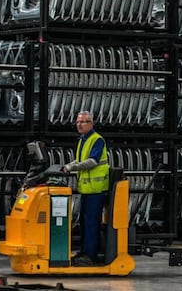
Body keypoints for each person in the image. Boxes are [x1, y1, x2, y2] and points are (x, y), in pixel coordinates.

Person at [63, 111, 109, 264]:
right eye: (77, 122)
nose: (79, 125)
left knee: (91, 223)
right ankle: (83, 252)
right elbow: (79, 159)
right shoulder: (83, 140)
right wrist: (68, 166)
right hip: (86, 190)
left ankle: (90, 255)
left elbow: (93, 161)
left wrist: (73, 168)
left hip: (96, 189)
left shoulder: (97, 140)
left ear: (91, 123)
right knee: (84, 222)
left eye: (83, 122)